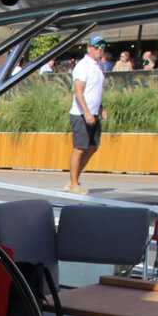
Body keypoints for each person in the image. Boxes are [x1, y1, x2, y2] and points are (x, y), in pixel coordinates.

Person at [66, 34, 108, 195]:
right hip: (81, 114)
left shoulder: (98, 67)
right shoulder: (83, 66)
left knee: (93, 147)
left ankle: (74, 178)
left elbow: (95, 91)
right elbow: (78, 91)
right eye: (97, 46)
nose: (100, 49)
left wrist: (100, 108)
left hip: (93, 113)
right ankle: (73, 183)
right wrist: (86, 112)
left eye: (102, 47)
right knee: (79, 148)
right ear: (89, 48)